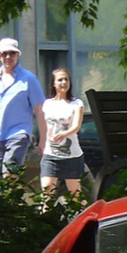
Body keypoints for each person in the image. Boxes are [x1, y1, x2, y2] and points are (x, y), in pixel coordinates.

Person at [0, 38, 46, 180]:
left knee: (9, 175)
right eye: (4, 53)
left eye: (12, 53)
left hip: (18, 134)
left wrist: (43, 140)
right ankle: (1, 202)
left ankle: (9, 199)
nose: (8, 57)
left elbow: (40, 111)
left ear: (18, 55)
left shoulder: (29, 79)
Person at [40, 67, 86, 198]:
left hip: (72, 156)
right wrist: (41, 142)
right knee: (46, 192)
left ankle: (83, 217)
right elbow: (44, 127)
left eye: (66, 79)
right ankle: (46, 218)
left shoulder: (76, 103)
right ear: (53, 83)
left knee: (75, 195)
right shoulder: (47, 104)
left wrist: (64, 134)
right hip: (51, 155)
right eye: (60, 80)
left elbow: (76, 126)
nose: (64, 82)